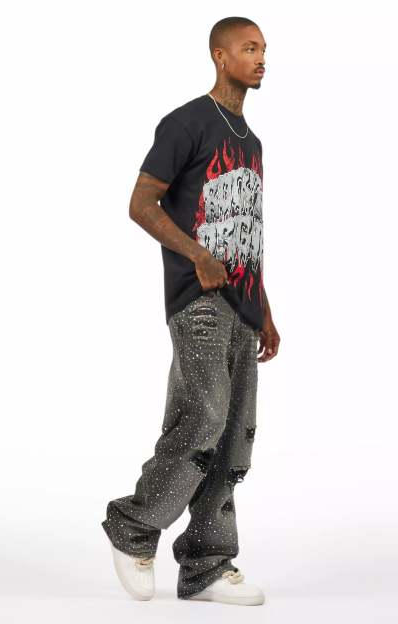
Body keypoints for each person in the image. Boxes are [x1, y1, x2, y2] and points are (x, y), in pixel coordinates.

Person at [101, 16, 280, 606]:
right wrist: (197, 255)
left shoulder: (251, 142)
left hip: (242, 307)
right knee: (201, 420)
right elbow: (141, 203)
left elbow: (247, 235)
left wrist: (265, 309)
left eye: (264, 49)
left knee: (235, 440)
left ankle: (205, 565)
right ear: (219, 56)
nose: (261, 58)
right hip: (198, 300)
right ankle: (133, 527)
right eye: (249, 48)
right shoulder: (186, 123)